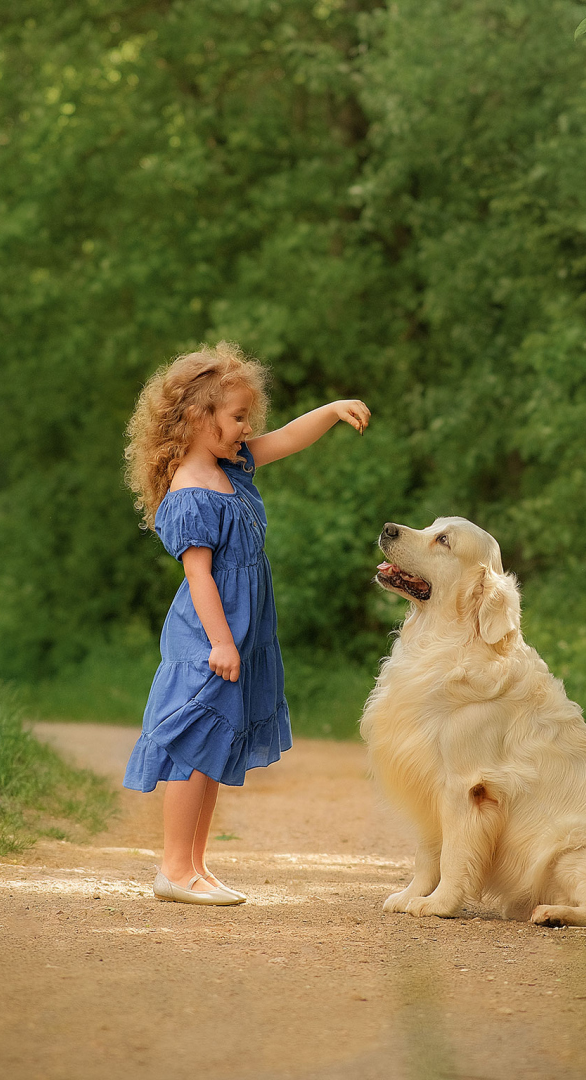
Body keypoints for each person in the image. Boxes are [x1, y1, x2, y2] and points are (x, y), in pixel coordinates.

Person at [121, 342, 370, 905]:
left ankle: (195, 867)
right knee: (192, 743)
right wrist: (221, 642)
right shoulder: (190, 490)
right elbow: (200, 577)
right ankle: (173, 871)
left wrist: (330, 410)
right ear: (196, 417)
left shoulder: (232, 466)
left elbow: (285, 439)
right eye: (236, 418)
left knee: (212, 749)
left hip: (240, 634)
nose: (245, 428)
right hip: (210, 639)